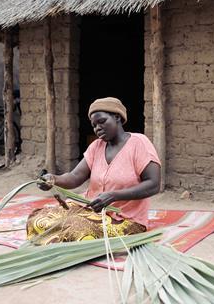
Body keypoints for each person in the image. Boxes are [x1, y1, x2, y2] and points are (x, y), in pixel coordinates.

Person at [26, 97, 161, 244]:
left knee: (76, 230)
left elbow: (153, 184)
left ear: (117, 117)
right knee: (38, 219)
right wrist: (53, 179)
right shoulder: (96, 146)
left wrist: (113, 196)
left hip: (125, 218)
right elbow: (75, 176)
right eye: (94, 125)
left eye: (102, 121)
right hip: (91, 210)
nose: (97, 128)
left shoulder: (139, 143)